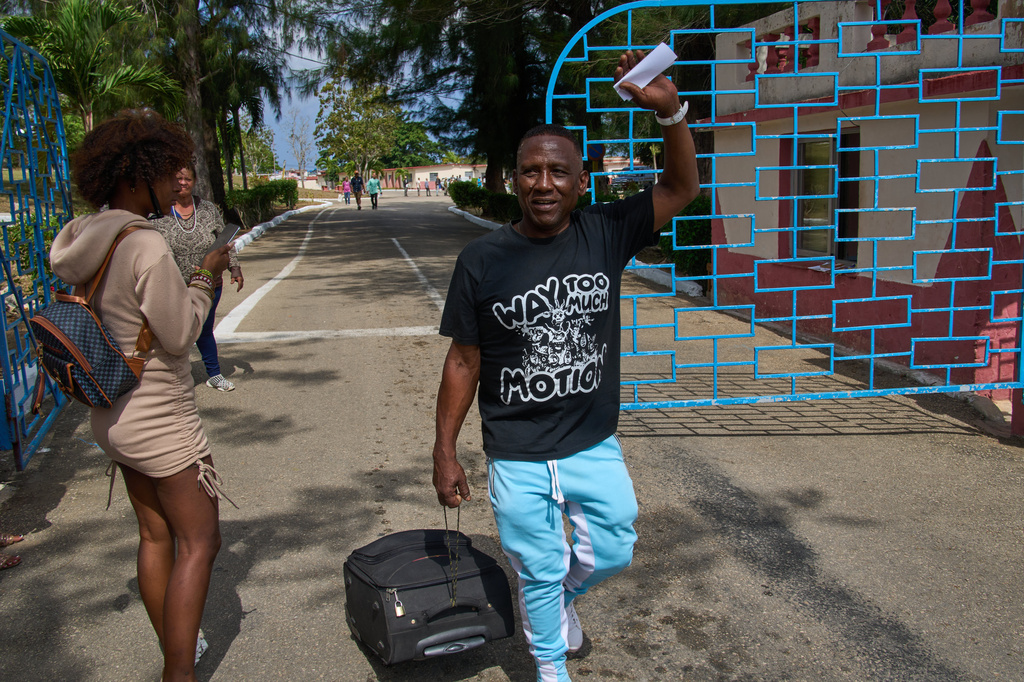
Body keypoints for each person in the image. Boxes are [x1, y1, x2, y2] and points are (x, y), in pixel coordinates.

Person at [430, 49, 698, 682]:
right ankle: (552, 665)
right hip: (516, 450)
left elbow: (681, 187)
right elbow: (463, 360)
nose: (542, 183)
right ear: (514, 180)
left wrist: (671, 112)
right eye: (529, 171)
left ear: (582, 183)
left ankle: (554, 603)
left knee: (614, 550)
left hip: (591, 440)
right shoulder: (482, 260)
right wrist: (445, 449)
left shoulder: (604, 232)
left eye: (557, 171)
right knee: (539, 565)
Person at [49, 109, 233, 681]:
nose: (168, 184)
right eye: (160, 172)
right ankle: (177, 674)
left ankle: (177, 651)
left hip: (111, 413)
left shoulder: (82, 239)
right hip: (158, 415)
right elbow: (178, 336)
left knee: (154, 534)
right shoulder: (143, 242)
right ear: (134, 176)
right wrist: (205, 275)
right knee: (201, 542)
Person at [152, 163, 243, 392]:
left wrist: (235, 267)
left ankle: (214, 373)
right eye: (178, 178)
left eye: (187, 179)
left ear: (194, 181)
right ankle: (174, 378)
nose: (182, 183)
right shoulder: (159, 210)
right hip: (174, 284)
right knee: (174, 331)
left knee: (204, 327)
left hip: (210, 282)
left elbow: (225, 240)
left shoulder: (208, 209)